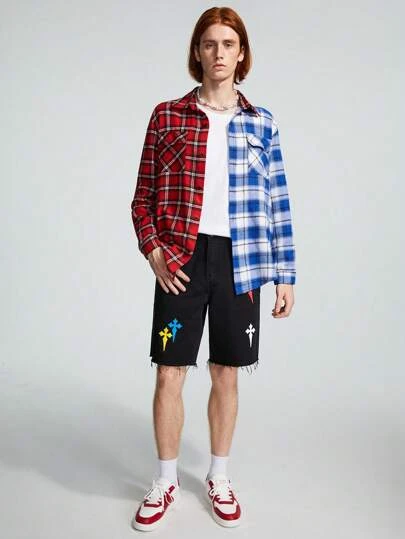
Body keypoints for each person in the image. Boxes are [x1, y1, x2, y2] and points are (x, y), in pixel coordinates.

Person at [130, 6, 296, 531]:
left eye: (228, 44)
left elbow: (278, 202)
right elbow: (142, 197)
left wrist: (286, 274)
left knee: (227, 371)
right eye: (209, 43)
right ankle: (165, 481)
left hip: (241, 261)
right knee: (169, 370)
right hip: (182, 257)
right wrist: (154, 250)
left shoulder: (262, 122)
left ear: (241, 53)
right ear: (197, 52)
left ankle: (218, 477)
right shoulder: (167, 116)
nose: (219, 53)